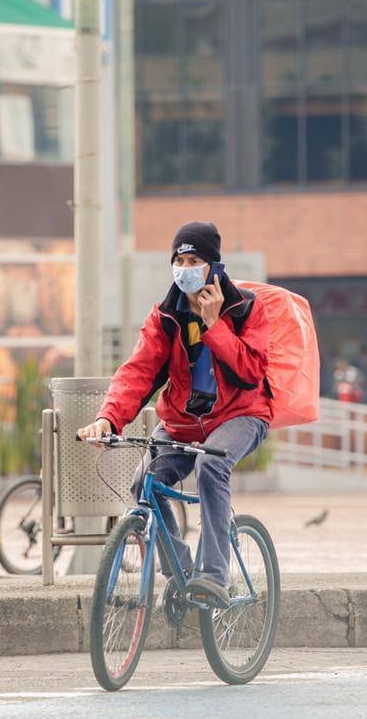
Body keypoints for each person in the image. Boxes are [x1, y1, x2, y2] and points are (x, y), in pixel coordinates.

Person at [78, 221, 270, 608]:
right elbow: (138, 371)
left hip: (241, 415)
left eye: (194, 259)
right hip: (183, 423)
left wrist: (215, 325)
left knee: (212, 466)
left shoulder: (245, 308)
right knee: (143, 483)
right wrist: (108, 418)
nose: (184, 267)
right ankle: (181, 571)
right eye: (178, 260)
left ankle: (214, 576)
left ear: (214, 267)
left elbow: (251, 372)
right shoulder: (165, 317)